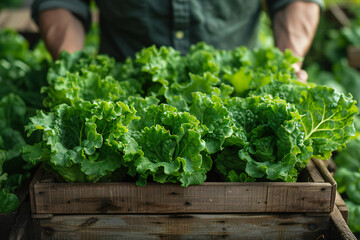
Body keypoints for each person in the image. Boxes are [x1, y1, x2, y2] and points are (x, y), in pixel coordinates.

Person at [31, 0, 323, 82]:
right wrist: (71, 71)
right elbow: (62, 4)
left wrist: (290, 61)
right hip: (126, 87)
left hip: (237, 92)